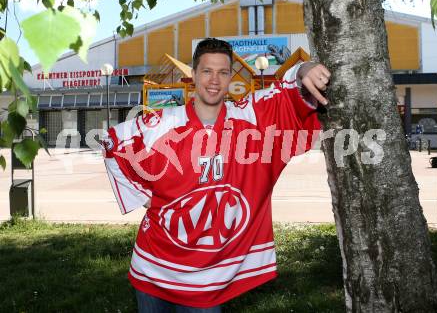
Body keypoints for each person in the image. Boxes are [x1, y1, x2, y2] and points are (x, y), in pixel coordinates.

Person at [102, 38, 330, 312]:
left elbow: (284, 95)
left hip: (208, 280)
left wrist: (304, 69)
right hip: (154, 266)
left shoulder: (251, 118)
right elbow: (112, 143)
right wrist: (142, 197)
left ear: (230, 76)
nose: (214, 80)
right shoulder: (162, 123)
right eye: (207, 71)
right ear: (194, 75)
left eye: (223, 72)